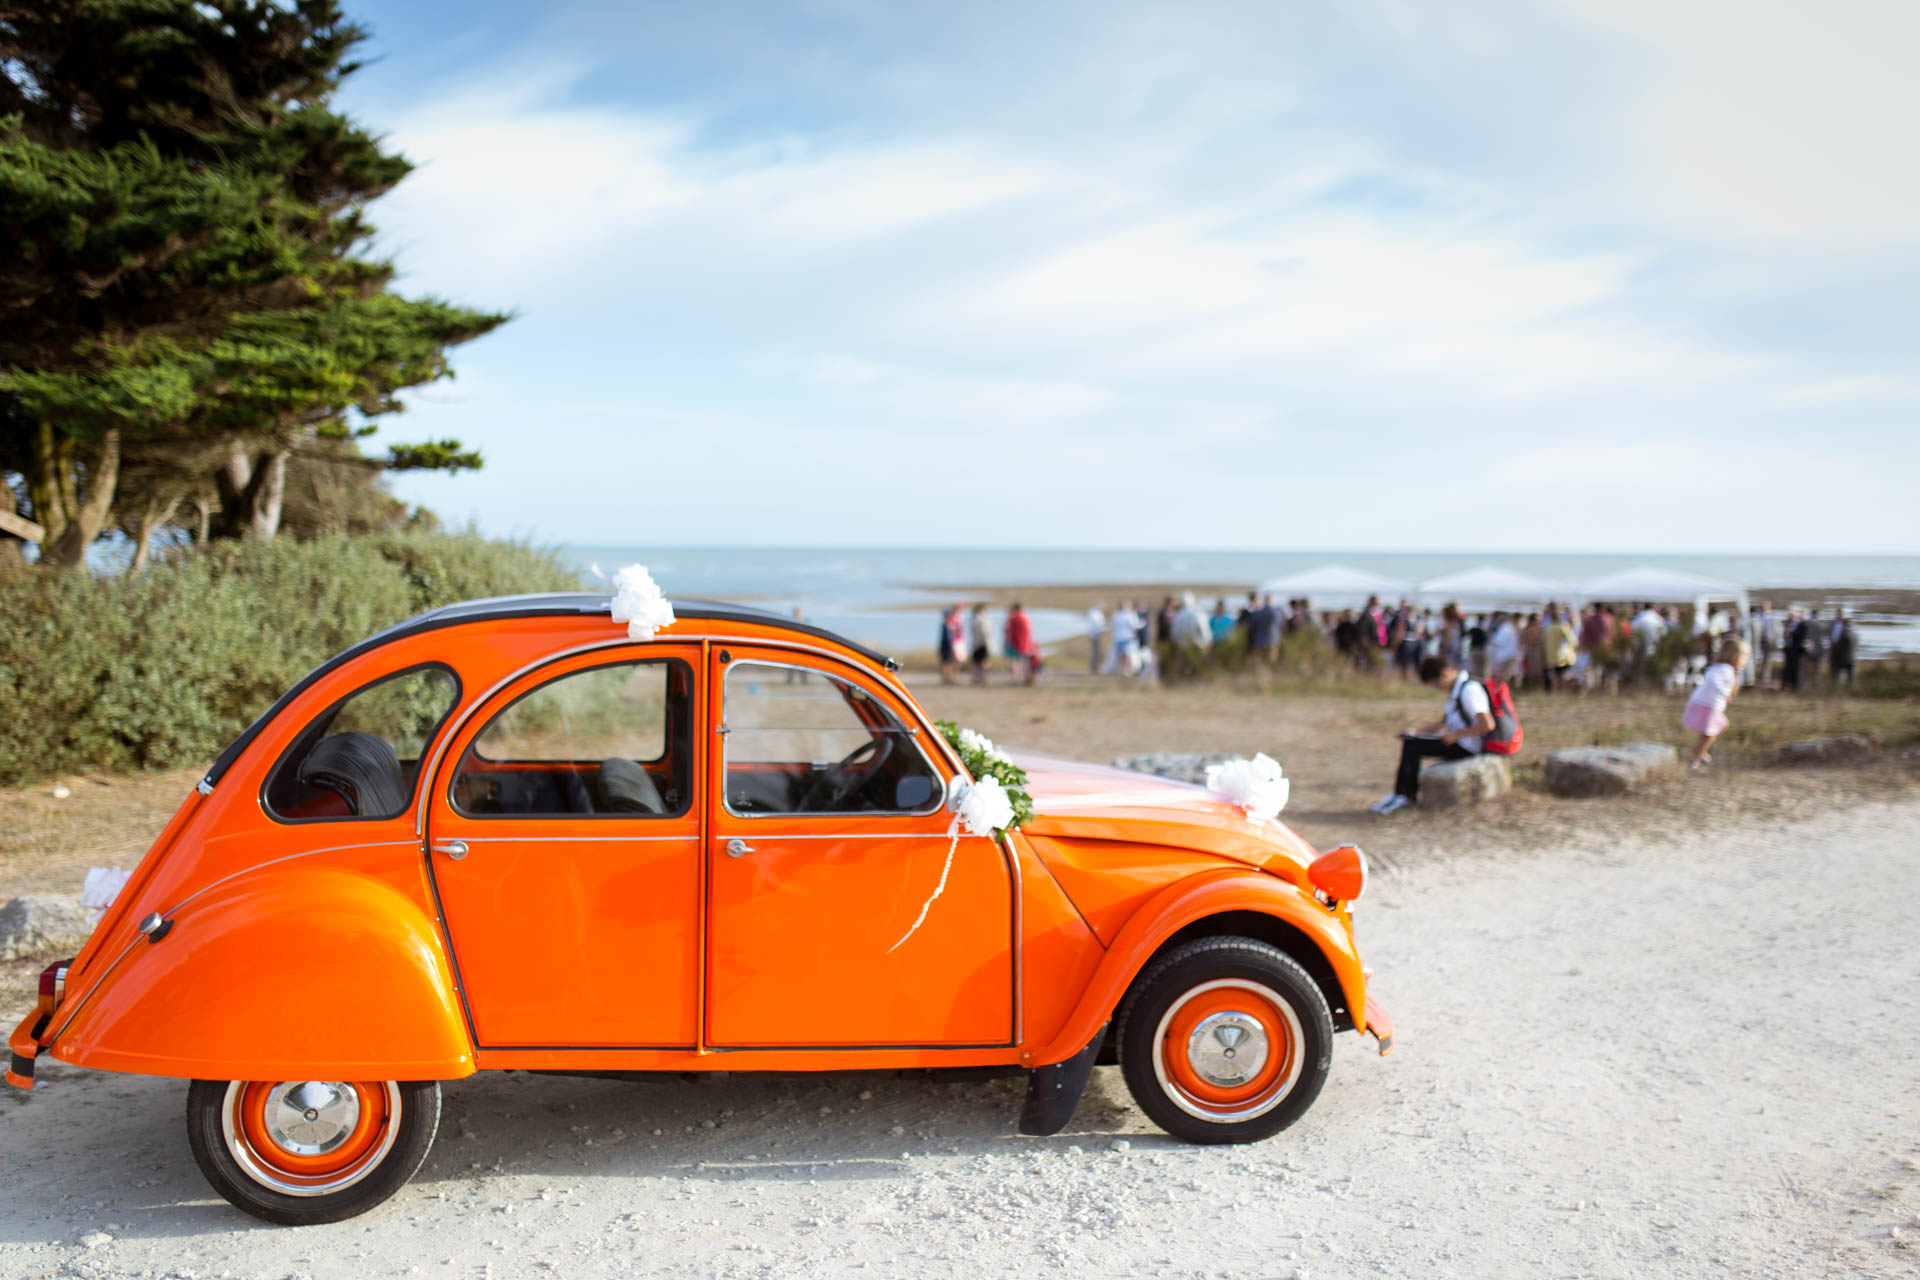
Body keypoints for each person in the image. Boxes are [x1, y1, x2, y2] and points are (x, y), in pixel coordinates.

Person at [1369, 655, 1496, 816]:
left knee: (1412, 747)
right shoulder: (1456, 690)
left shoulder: (1469, 690)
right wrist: (1418, 732)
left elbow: (1488, 724)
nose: (1438, 688)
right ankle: (1400, 794)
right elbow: (1444, 722)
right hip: (1458, 740)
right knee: (1411, 741)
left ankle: (1405, 796)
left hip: (1468, 745)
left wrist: (1456, 735)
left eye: (1436, 684)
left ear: (1445, 673)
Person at [1683, 636, 1747, 772]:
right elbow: (1712, 680)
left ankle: (1701, 751)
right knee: (1709, 735)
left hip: (1708, 705)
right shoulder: (1725, 669)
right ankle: (1695, 760)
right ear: (1734, 656)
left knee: (1717, 728)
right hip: (1708, 706)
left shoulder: (1723, 668)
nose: (1745, 660)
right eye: (1744, 656)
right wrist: (1724, 693)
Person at [1543, 605, 1577, 694]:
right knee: (1562, 675)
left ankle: (1554, 692)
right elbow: (1572, 640)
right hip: (1561, 655)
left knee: (1554, 675)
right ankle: (1562, 692)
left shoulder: (1548, 628)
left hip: (1551, 655)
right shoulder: (1563, 627)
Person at [1004, 602, 1037, 685]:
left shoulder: (1013, 619)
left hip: (1016, 643)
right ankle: (1026, 678)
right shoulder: (1025, 618)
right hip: (1025, 643)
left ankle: (1017, 679)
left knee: (1016, 662)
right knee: (1025, 662)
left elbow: (1010, 632)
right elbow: (1029, 632)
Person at [1488, 611, 1522, 686]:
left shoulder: (1505, 628)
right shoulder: (1509, 628)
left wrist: (1491, 637)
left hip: (1503, 657)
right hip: (1509, 655)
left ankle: (1501, 690)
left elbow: (1497, 641)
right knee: (1506, 676)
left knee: (1500, 676)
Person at [1110, 600, 1140, 676]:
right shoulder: (1129, 615)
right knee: (1127, 655)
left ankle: (1121, 670)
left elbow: (1113, 626)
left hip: (1119, 637)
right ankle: (1126, 671)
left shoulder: (1116, 615)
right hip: (1126, 637)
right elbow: (1134, 625)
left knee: (1121, 655)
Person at [1248, 593, 1280, 661]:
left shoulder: (1258, 613)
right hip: (1273, 639)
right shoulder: (1276, 612)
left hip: (1259, 639)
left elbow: (1252, 626)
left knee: (1258, 659)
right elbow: (1279, 624)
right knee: (1271, 659)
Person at [1829, 609, 1855, 688]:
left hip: (1844, 656)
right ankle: (1846, 688)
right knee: (1846, 676)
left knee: (1844, 675)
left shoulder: (1845, 633)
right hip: (1846, 656)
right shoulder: (1850, 631)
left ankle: (1843, 688)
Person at [1782, 609, 1808, 691]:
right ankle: (1789, 684)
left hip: (1798, 651)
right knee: (1789, 668)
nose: (1790, 617)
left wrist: (1792, 632)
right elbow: (1785, 636)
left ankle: (1797, 686)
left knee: (1798, 669)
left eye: (1792, 615)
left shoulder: (1802, 625)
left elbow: (1802, 636)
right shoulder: (1788, 624)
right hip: (1789, 650)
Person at [937, 604, 964, 684]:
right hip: (946, 645)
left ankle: (948, 677)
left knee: (948, 662)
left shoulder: (947, 624)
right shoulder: (945, 625)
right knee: (946, 662)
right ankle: (946, 678)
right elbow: (947, 637)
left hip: (947, 645)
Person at [1753, 599, 1777, 687]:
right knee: (1758, 660)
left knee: (1767, 661)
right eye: (1763, 604)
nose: (1765, 606)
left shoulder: (1772, 617)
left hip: (1769, 641)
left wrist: (1775, 642)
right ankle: (1756, 678)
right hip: (1759, 640)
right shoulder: (1758, 616)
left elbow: (1775, 631)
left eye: (1766, 605)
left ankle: (1765, 680)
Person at [969, 603, 992, 685]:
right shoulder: (984, 619)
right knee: (981, 661)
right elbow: (987, 632)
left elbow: (984, 632)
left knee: (978, 662)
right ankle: (981, 678)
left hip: (979, 643)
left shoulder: (977, 619)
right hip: (982, 643)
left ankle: (978, 678)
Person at [1084, 601, 1106, 675]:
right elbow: (1099, 624)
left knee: (1097, 652)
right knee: (1096, 652)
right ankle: (1094, 668)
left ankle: (1095, 668)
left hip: (1096, 635)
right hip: (1095, 635)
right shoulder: (1094, 613)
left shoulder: (1095, 613)